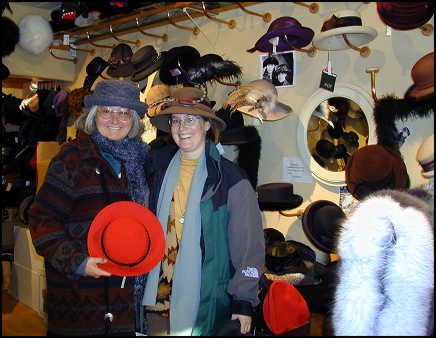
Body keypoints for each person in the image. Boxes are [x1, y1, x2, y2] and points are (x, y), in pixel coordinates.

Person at [28, 80, 150, 336]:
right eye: (107, 111)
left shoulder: (140, 164)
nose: (115, 119)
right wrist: (77, 262)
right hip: (79, 300)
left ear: (134, 120)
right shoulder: (72, 159)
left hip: (123, 299)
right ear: (94, 115)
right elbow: (42, 222)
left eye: (124, 112)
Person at [142, 86, 265, 335]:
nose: (181, 127)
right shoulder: (159, 170)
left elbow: (249, 247)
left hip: (205, 298)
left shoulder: (231, 180)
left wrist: (243, 301)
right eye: (176, 120)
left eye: (190, 119)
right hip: (158, 293)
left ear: (207, 125)